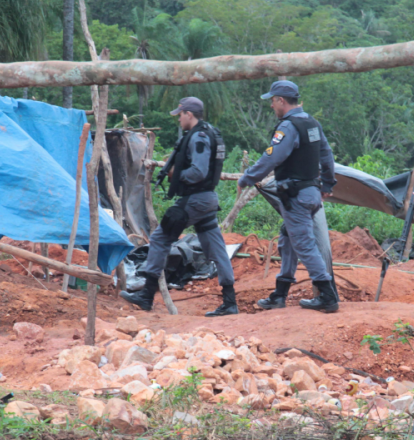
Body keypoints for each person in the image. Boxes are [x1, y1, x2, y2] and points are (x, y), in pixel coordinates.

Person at [120, 97, 237, 316]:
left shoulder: (199, 137)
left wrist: (176, 174)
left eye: (180, 115)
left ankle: (146, 296)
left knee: (160, 239)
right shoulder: (209, 132)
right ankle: (230, 301)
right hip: (206, 200)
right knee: (217, 249)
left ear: (189, 114)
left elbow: (199, 172)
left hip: (196, 199)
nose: (179, 119)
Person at [237, 80, 339, 313]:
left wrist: (247, 178)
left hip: (296, 197)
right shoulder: (312, 123)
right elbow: (326, 154)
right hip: (311, 194)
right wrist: (328, 183)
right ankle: (280, 294)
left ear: (281, 101)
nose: (272, 105)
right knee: (287, 240)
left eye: (273, 101)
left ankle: (327, 295)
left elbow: (272, 158)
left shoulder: (288, 127)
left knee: (303, 244)